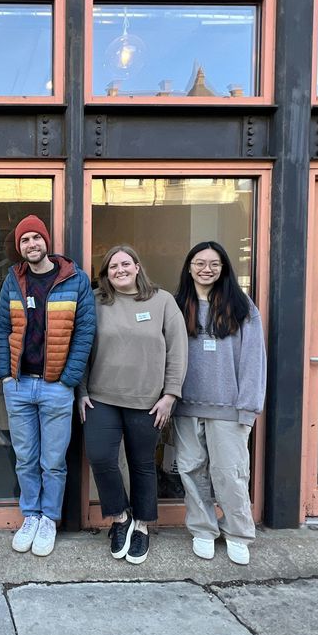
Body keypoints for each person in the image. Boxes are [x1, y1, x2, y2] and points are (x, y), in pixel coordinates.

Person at [79, 244, 187, 565]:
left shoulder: (162, 301)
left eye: (126, 264)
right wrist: (81, 390)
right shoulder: (95, 302)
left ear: (137, 267)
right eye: (113, 267)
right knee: (100, 457)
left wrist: (170, 395)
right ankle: (120, 517)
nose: (120, 270)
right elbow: (81, 346)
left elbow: (178, 351)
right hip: (101, 397)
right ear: (106, 274)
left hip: (147, 401)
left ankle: (142, 525)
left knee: (142, 464)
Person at [0, 215, 95, 557]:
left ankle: (49, 518)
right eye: (25, 240)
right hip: (20, 384)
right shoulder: (14, 279)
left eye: (36, 238)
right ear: (20, 247)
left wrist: (69, 379)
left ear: (46, 241)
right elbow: (2, 327)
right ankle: (31, 516)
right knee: (25, 458)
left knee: (53, 461)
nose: (31, 244)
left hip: (56, 386)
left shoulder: (75, 279)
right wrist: (6, 374)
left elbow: (85, 332)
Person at [173, 241, 266, 566]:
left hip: (229, 408)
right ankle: (203, 529)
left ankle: (238, 533)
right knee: (191, 469)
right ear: (189, 267)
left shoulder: (242, 307)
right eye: (199, 263)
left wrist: (248, 407)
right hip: (185, 405)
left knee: (230, 473)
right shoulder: (177, 305)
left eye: (214, 263)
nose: (206, 269)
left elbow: (253, 361)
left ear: (224, 268)